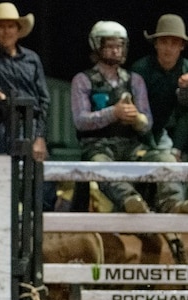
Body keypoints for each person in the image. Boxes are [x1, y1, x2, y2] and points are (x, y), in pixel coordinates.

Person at [70, 20, 187, 214]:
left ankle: (173, 202)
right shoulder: (83, 80)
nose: (116, 50)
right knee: (100, 165)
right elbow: (80, 121)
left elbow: (147, 122)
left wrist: (137, 119)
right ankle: (130, 200)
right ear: (97, 46)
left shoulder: (134, 80)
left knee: (164, 158)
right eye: (110, 46)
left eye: (119, 45)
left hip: (131, 146)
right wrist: (113, 113)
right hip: (98, 146)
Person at [0, 2, 50, 163]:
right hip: (2, 123)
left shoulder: (32, 59)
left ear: (18, 30)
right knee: (3, 173)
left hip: (31, 125)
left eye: (10, 26)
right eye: (1, 27)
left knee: (41, 177)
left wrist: (40, 137)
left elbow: (44, 100)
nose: (6, 32)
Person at [130, 14, 188, 159]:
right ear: (156, 44)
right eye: (164, 42)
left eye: (174, 43)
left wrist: (177, 148)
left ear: (182, 46)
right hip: (145, 137)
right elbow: (139, 115)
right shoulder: (141, 70)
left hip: (180, 136)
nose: (168, 48)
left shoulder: (186, 68)